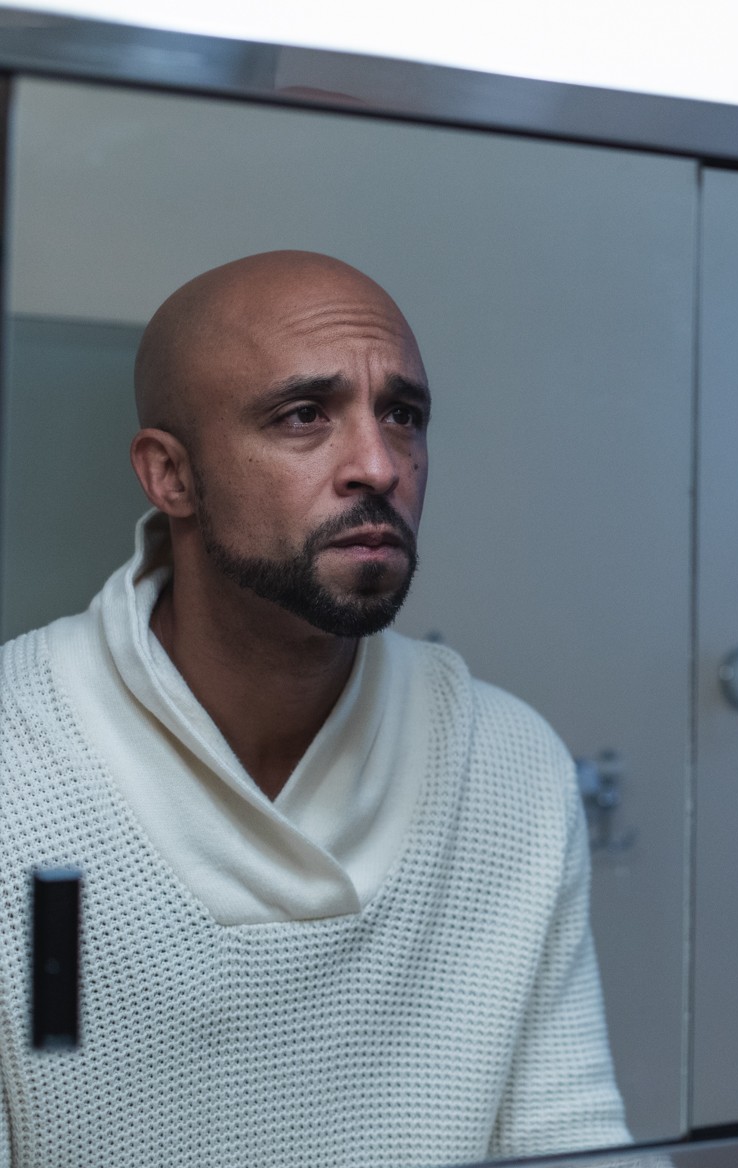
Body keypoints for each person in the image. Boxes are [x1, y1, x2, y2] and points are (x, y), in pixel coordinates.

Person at [0, 251, 630, 1166]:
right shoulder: (17, 751)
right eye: (304, 416)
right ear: (168, 475)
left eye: (403, 416)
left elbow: (571, 1137)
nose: (378, 465)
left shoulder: (505, 759)